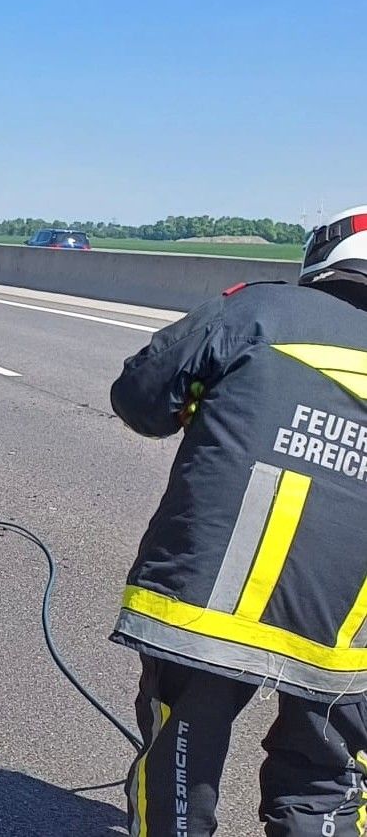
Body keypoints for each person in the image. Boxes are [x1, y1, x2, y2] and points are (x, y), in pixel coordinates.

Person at [110, 206, 367, 836]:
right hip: (346, 630)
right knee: (326, 786)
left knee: (180, 770)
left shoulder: (258, 310)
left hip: (209, 607)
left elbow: (142, 397)